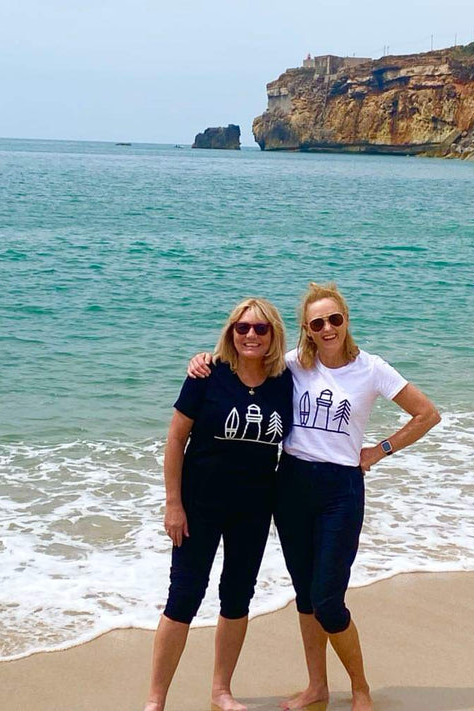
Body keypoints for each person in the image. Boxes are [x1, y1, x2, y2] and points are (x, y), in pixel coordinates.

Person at [188, 282, 440, 711]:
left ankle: (360, 688)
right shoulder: (290, 365)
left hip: (341, 489)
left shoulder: (372, 368)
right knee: (305, 596)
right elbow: (243, 362)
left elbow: (427, 413)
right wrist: (202, 361)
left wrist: (378, 451)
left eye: (334, 320)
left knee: (328, 600)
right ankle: (317, 687)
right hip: (291, 485)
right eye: (317, 323)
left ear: (345, 321)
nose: (327, 328)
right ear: (306, 330)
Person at [143, 298, 293, 711]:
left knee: (237, 596)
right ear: (231, 332)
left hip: (254, 509)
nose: (250, 335)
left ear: (273, 335)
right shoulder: (207, 374)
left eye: (261, 329)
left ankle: (221, 691)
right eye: (242, 328)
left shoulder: (285, 379)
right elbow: (175, 439)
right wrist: (173, 504)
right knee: (183, 597)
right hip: (199, 506)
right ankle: (156, 700)